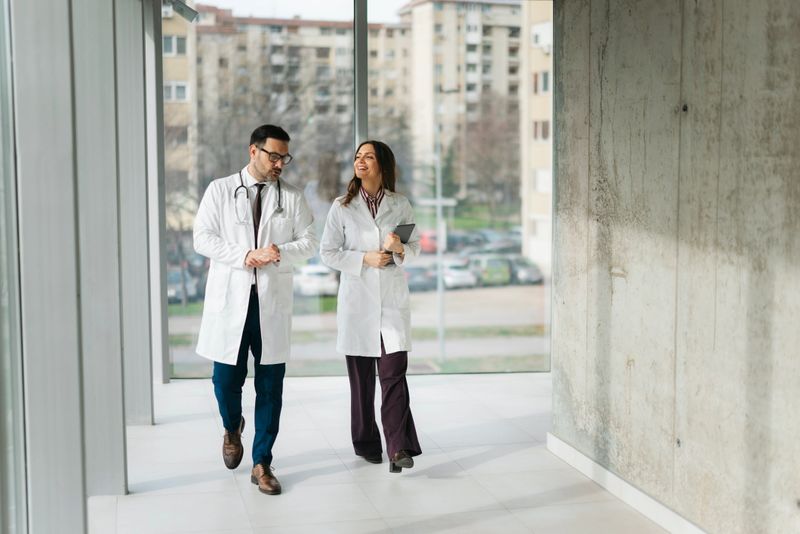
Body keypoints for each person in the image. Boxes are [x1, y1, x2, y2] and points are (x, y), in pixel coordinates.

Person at [193, 124, 318, 494]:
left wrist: (280, 253)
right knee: (224, 381)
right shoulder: (220, 189)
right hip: (232, 299)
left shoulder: (292, 197)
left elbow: (309, 241)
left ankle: (262, 462)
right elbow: (203, 237)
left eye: (285, 157)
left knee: (270, 386)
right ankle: (232, 428)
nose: (280, 163)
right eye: (274, 155)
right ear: (254, 151)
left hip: (271, 303)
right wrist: (245, 256)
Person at [320, 140, 422, 473]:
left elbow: (414, 248)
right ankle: (366, 443)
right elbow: (328, 252)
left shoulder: (400, 204)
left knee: (394, 375)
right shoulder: (342, 206)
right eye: (357, 157)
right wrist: (365, 258)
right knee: (362, 383)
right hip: (358, 303)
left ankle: (398, 448)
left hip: (391, 304)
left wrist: (397, 248)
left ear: (382, 165)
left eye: (369, 157)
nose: (361, 161)